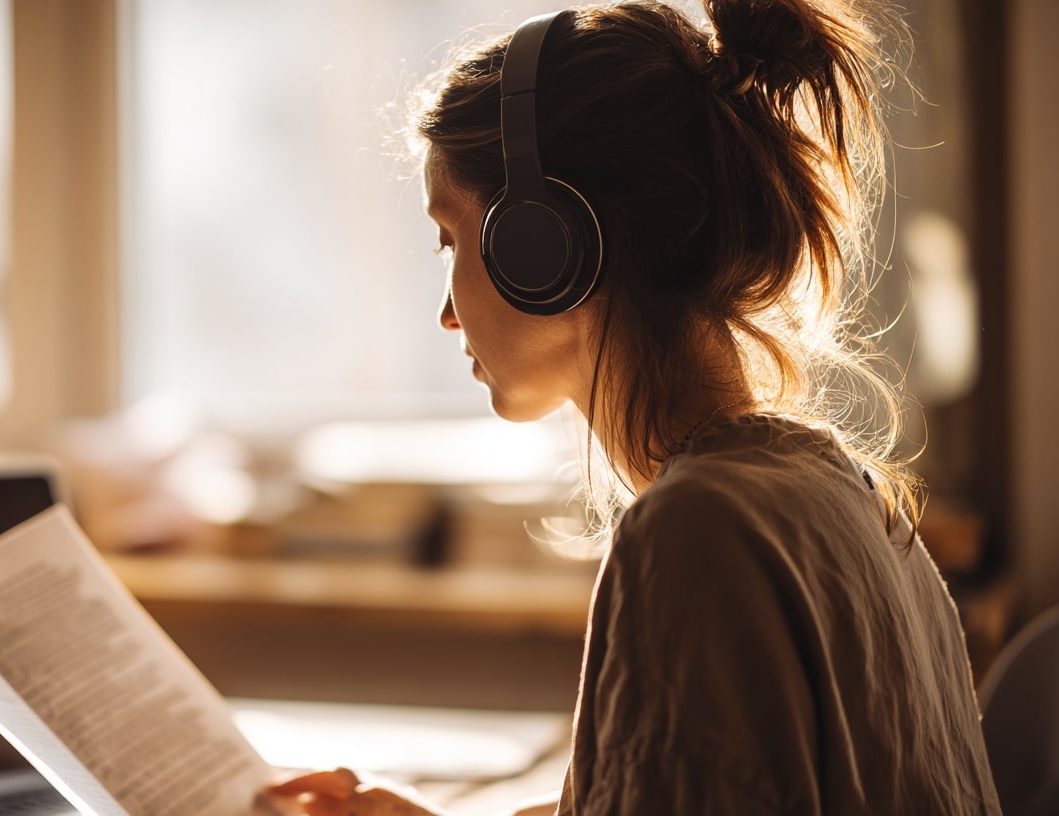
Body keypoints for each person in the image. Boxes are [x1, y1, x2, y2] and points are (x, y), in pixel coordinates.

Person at [268, 0, 1001, 814]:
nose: (445, 312)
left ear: (540, 244)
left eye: (452, 238)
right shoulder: (850, 499)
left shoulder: (697, 534)